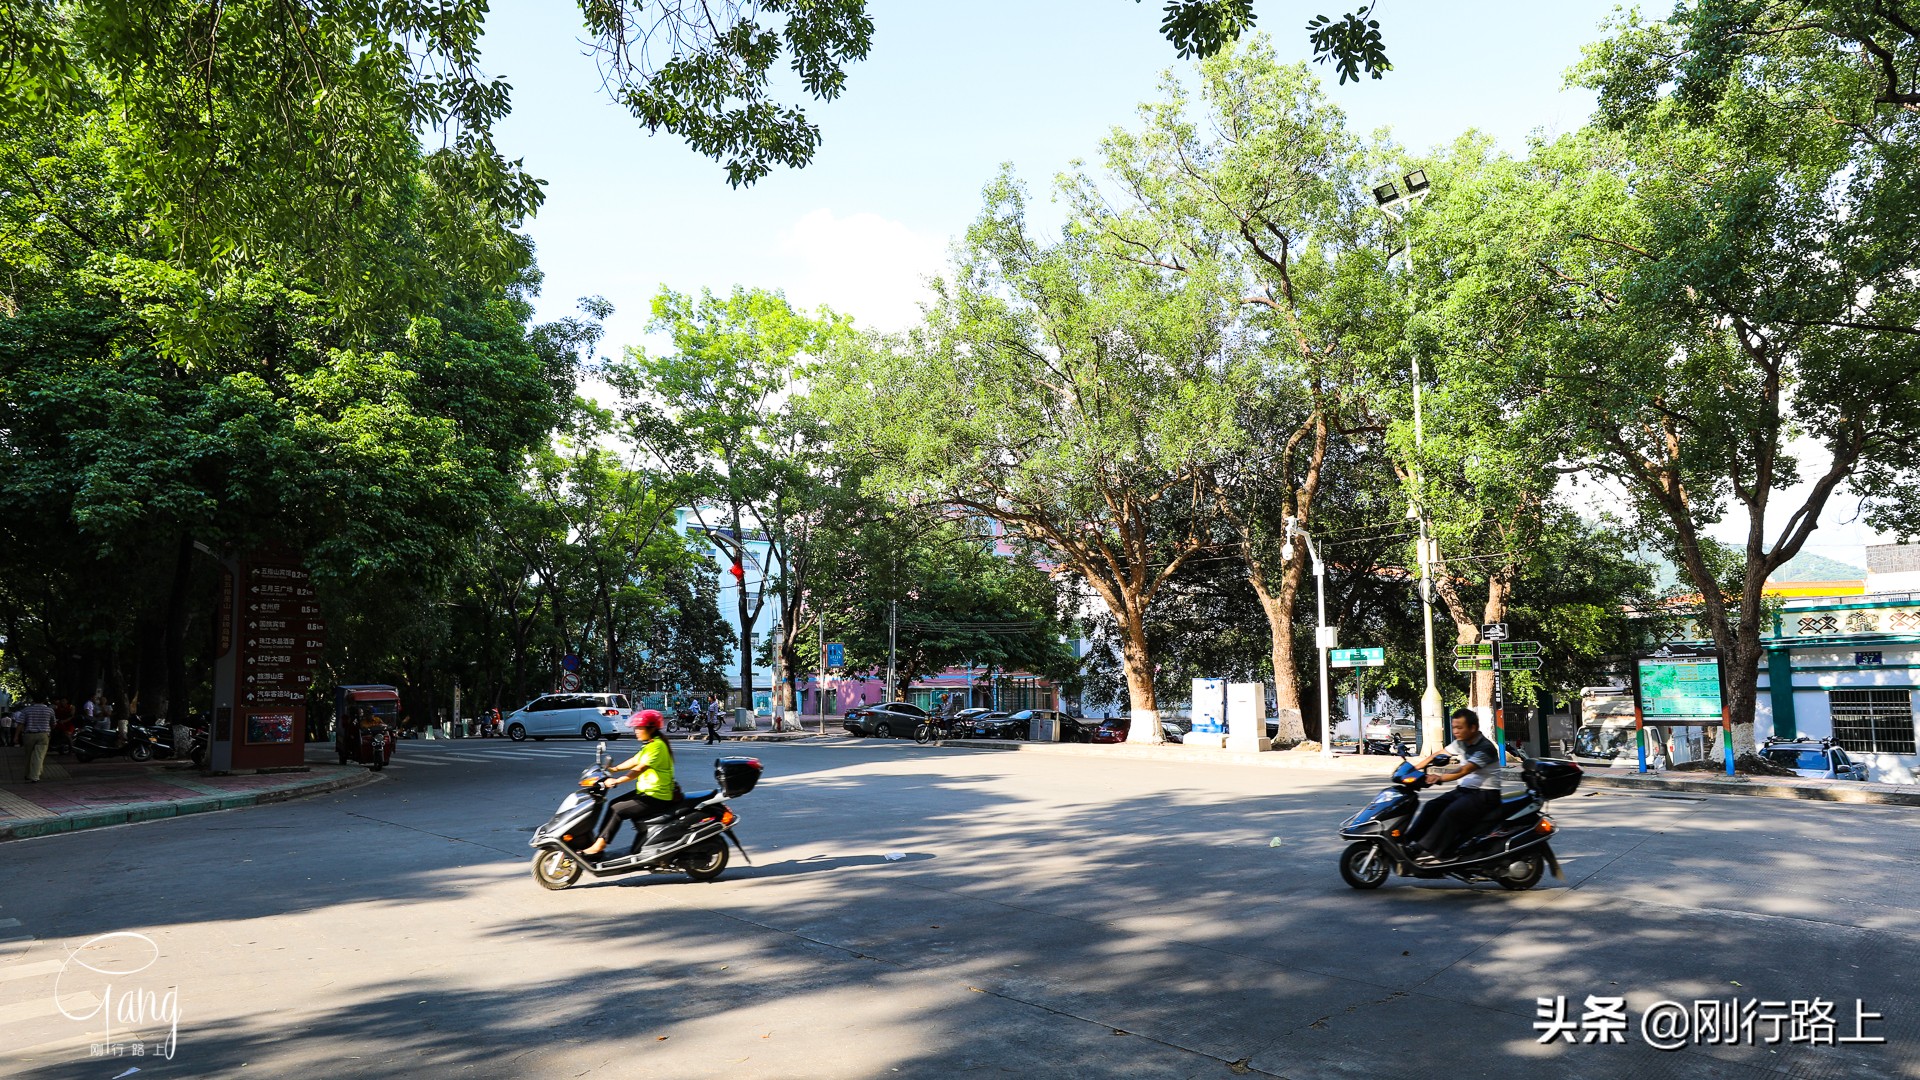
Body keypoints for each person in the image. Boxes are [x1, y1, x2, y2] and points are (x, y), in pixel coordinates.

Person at [1403, 707, 1502, 864]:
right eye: (1454, 727)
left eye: (1459, 728)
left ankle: (1424, 849)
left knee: (1451, 812)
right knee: (1431, 806)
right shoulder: (1462, 742)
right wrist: (1412, 770)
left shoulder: (1485, 748)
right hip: (1465, 791)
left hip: (1485, 794)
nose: (1455, 731)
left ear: (1473, 728)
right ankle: (1407, 841)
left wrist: (1439, 778)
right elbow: (1438, 754)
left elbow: (1464, 770)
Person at [582, 710, 676, 856]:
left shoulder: (657, 746)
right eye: (636, 727)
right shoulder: (650, 744)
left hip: (657, 796)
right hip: (647, 792)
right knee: (613, 803)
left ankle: (599, 845)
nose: (636, 731)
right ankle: (599, 841)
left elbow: (639, 768)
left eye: (640, 728)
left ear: (651, 729)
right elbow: (634, 760)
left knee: (617, 809)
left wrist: (617, 780)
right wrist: (614, 769)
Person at [17, 697, 55, 782]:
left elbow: (20, 724)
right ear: (44, 700)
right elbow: (53, 724)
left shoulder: (26, 710)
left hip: (29, 735)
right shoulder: (49, 710)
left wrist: (16, 736)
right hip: (43, 735)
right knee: (39, 756)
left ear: (33, 700)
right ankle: (35, 776)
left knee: (28, 756)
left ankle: (27, 774)